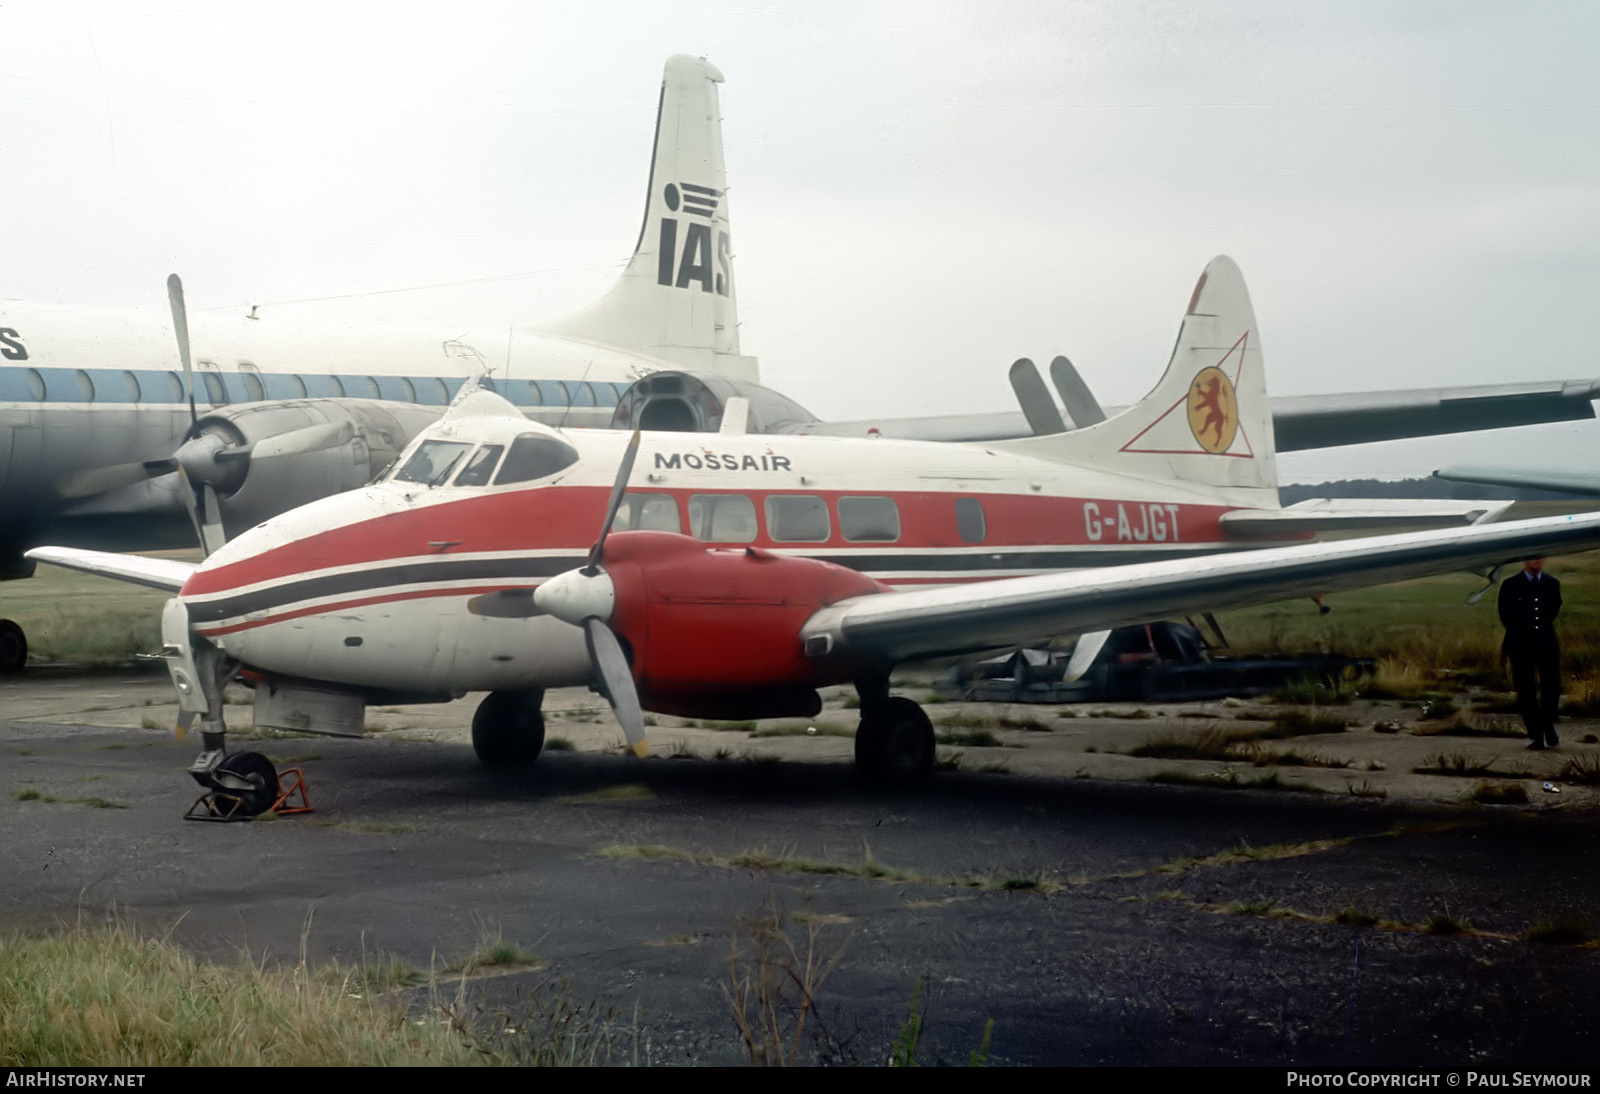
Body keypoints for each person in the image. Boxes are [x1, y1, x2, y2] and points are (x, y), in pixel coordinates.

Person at [1498, 557, 1562, 749]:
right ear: (1524, 560)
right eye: (1532, 557)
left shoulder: (1552, 584)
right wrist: (1522, 633)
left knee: (1551, 685)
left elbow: (1553, 610)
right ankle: (1536, 735)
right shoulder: (1510, 584)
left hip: (1546, 643)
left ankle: (1548, 724)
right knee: (1525, 690)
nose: (1536, 561)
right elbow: (1505, 614)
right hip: (1520, 643)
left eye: (1540, 557)